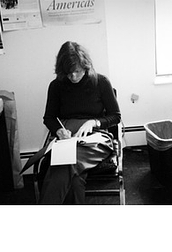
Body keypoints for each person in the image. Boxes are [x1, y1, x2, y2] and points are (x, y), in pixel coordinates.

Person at [39, 41, 121, 204]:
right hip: (67, 138)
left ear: (86, 66)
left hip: (96, 138)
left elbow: (115, 116)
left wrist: (94, 122)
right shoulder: (56, 86)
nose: (73, 77)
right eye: (68, 73)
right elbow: (49, 118)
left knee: (64, 164)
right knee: (74, 178)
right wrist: (58, 130)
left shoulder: (101, 82)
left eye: (77, 71)